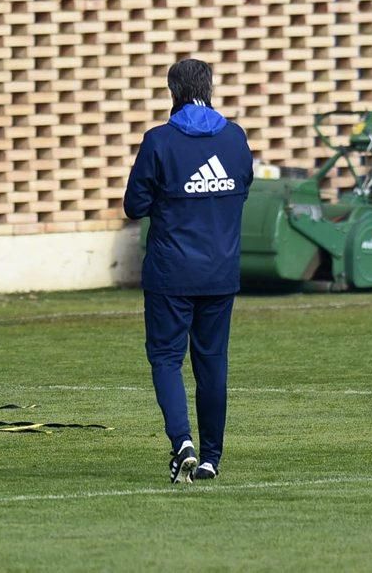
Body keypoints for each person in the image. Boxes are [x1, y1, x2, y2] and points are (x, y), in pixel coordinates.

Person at [123, 58, 253, 483]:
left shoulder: (159, 141)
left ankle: (182, 442)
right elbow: (243, 189)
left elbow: (134, 205)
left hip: (171, 272)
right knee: (212, 362)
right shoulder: (235, 137)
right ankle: (212, 456)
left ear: (172, 91)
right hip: (220, 271)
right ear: (210, 87)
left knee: (165, 358)